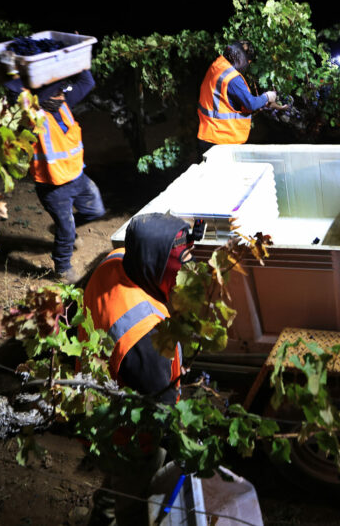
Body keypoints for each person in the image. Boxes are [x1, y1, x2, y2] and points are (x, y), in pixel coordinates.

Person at [83, 212, 194, 525]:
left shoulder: (116, 260)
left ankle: (102, 516)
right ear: (156, 263)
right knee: (135, 496)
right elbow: (162, 409)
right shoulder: (146, 337)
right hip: (133, 435)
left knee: (115, 479)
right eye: (181, 263)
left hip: (101, 406)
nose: (186, 271)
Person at [5, 70, 106, 282]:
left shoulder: (64, 103)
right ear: (44, 96)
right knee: (67, 231)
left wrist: (75, 55)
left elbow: (87, 81)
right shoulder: (32, 115)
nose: (62, 95)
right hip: (53, 186)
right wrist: (12, 68)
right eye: (57, 92)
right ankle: (62, 268)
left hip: (77, 177)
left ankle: (61, 229)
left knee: (95, 210)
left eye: (62, 91)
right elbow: (13, 91)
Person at [196, 40, 278, 157]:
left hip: (207, 135)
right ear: (242, 59)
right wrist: (267, 97)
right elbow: (251, 104)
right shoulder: (232, 78)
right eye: (248, 62)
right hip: (221, 141)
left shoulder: (217, 65)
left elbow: (225, 100)